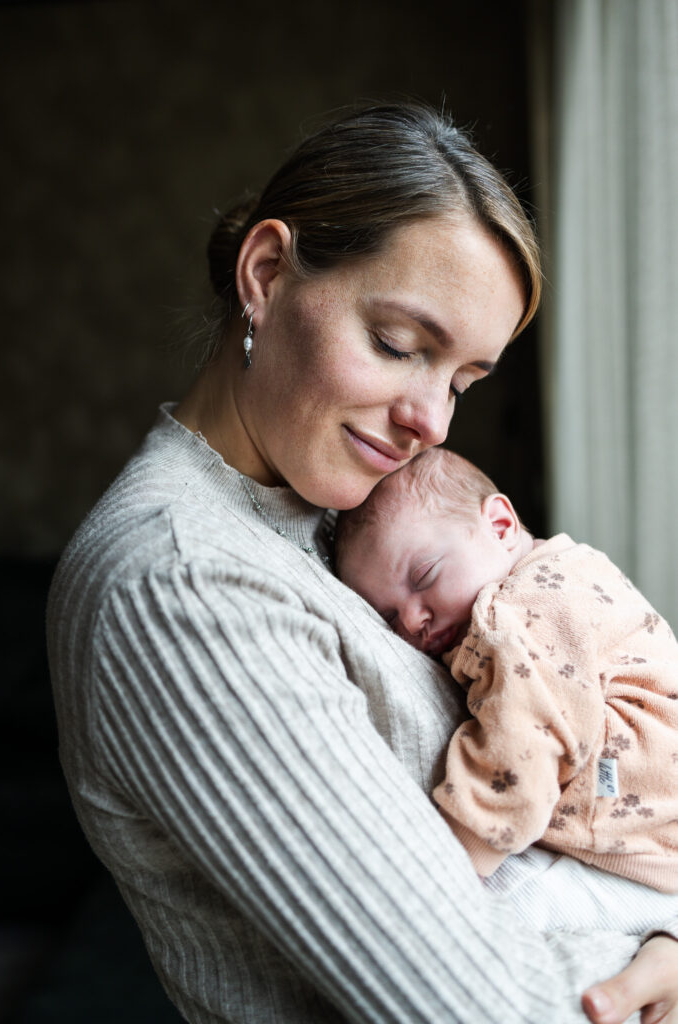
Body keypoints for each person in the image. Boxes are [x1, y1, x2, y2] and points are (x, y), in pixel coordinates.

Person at [46, 103, 678, 1024]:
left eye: (462, 380)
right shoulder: (179, 581)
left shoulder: (326, 517)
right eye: (398, 345)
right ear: (264, 275)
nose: (433, 422)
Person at [336, 447, 678, 904]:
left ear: (500, 526)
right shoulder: (566, 566)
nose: (414, 619)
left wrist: (459, 855)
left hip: (646, 820)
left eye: (424, 576)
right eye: (390, 616)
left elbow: (524, 738)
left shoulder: (519, 610)